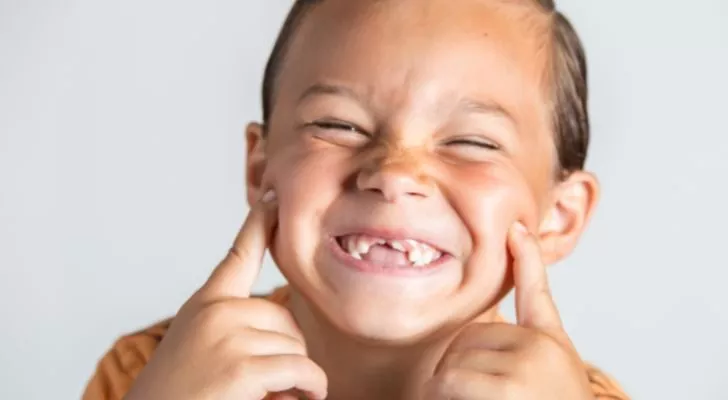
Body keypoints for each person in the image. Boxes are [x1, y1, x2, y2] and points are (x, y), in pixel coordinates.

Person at [83, 0, 630, 399]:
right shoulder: (152, 374)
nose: (394, 174)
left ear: (559, 216)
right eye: (337, 125)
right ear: (259, 168)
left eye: (471, 141)